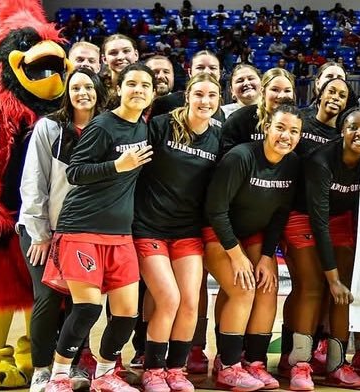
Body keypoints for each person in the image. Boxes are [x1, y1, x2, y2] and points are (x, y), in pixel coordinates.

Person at [40, 63, 156, 392]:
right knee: (88, 308)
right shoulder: (103, 126)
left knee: (126, 313)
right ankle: (59, 376)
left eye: (145, 85)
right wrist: (117, 166)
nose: (138, 89)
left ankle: (105, 375)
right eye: (131, 83)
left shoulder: (143, 128)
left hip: (121, 235)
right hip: (82, 229)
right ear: (118, 88)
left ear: (152, 93)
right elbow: (75, 172)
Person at [133, 73, 223, 392]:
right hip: (150, 227)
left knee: (189, 303)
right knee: (167, 299)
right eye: (199, 94)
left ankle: (176, 369)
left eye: (212, 95)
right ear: (187, 96)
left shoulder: (218, 137)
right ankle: (153, 369)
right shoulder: (160, 126)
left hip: (187, 230)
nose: (205, 101)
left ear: (219, 100)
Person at [204, 104, 304, 391]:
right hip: (218, 230)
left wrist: (267, 256)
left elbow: (280, 214)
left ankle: (255, 362)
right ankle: (228, 365)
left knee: (268, 284)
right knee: (242, 286)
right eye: (280, 128)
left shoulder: (293, 163)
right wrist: (236, 255)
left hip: (254, 233)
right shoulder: (240, 157)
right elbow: (216, 209)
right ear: (266, 128)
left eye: (294, 131)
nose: (286, 135)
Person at [20, 68, 106, 392]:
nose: (82, 92)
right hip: (42, 230)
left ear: (98, 90)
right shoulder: (49, 127)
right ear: (67, 93)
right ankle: (41, 369)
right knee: (46, 298)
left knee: (80, 303)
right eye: (75, 87)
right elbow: (33, 182)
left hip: (83, 232)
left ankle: (70, 366)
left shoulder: (107, 130)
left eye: (88, 86)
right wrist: (41, 233)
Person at [285, 107, 360, 389]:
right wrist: (332, 278)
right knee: (314, 285)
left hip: (338, 220)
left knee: (344, 291)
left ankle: (337, 363)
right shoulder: (320, 161)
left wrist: (338, 282)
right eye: (353, 127)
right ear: (342, 131)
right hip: (304, 217)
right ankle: (299, 363)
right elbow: (319, 221)